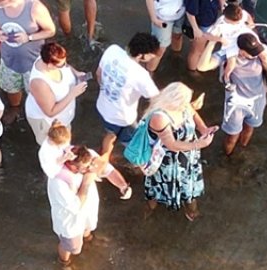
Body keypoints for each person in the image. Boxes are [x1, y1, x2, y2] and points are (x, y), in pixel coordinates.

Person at [143, 82, 216, 219]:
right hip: (167, 159)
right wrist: (198, 144)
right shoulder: (159, 118)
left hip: (187, 155)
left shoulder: (183, 105)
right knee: (158, 183)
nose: (187, 106)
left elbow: (192, 112)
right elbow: (171, 144)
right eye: (184, 103)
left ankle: (189, 203)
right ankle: (150, 206)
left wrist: (204, 129)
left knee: (188, 182)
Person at [221, 33, 267, 155]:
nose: (255, 54)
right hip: (235, 104)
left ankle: (242, 151)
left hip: (258, 101)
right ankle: (227, 158)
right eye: (251, 53)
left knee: (250, 128)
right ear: (241, 51)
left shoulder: (263, 52)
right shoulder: (228, 56)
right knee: (232, 137)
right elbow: (204, 65)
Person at [0, 0, 57, 119]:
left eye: (1, 4)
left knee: (36, 94)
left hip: (33, 63)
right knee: (11, 88)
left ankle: (36, 115)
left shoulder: (35, 7)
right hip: (8, 59)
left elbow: (51, 30)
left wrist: (29, 37)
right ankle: (16, 107)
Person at [95, 33, 161, 155]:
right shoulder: (140, 74)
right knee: (134, 143)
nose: (153, 57)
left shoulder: (112, 50)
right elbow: (157, 99)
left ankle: (104, 158)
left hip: (102, 107)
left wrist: (106, 90)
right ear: (142, 55)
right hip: (124, 118)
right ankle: (137, 163)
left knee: (110, 134)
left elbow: (98, 74)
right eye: (151, 55)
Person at [38, 120, 133, 198]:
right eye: (86, 168)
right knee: (71, 182)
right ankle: (74, 195)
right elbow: (54, 164)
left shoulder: (87, 153)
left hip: (65, 154)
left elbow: (108, 169)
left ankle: (122, 187)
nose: (91, 167)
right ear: (74, 168)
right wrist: (64, 158)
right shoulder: (47, 153)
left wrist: (124, 186)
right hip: (55, 168)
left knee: (100, 165)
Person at [24, 42, 88, 144]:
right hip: (48, 122)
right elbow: (50, 112)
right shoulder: (40, 83)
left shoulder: (49, 59)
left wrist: (76, 73)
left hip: (63, 117)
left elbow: (65, 65)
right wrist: (72, 94)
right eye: (61, 65)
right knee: (53, 146)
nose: (65, 65)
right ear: (50, 65)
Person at [47, 145, 100, 266]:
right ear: (72, 166)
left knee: (88, 229)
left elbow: (106, 168)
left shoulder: (86, 155)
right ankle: (64, 262)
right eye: (85, 168)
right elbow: (76, 207)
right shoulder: (58, 182)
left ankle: (88, 240)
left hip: (88, 209)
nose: (90, 169)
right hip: (71, 221)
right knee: (72, 247)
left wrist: (123, 187)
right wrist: (86, 182)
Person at [147, 0, 188, 72]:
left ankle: (176, 58)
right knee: (159, 48)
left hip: (181, 12)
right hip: (162, 17)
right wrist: (154, 18)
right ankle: (149, 72)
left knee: (177, 36)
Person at [185, 0, 225, 72]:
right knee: (196, 51)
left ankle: (199, 64)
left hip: (211, 17)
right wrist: (196, 29)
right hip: (200, 23)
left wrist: (223, 5)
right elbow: (190, 12)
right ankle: (192, 70)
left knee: (201, 48)